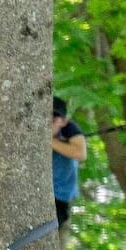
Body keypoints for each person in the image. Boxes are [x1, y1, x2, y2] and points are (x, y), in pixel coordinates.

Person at [50, 95, 87, 229]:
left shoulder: (69, 128)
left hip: (59, 199)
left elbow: (80, 153)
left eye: (54, 117)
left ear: (64, 121)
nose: (48, 121)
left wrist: (49, 141)